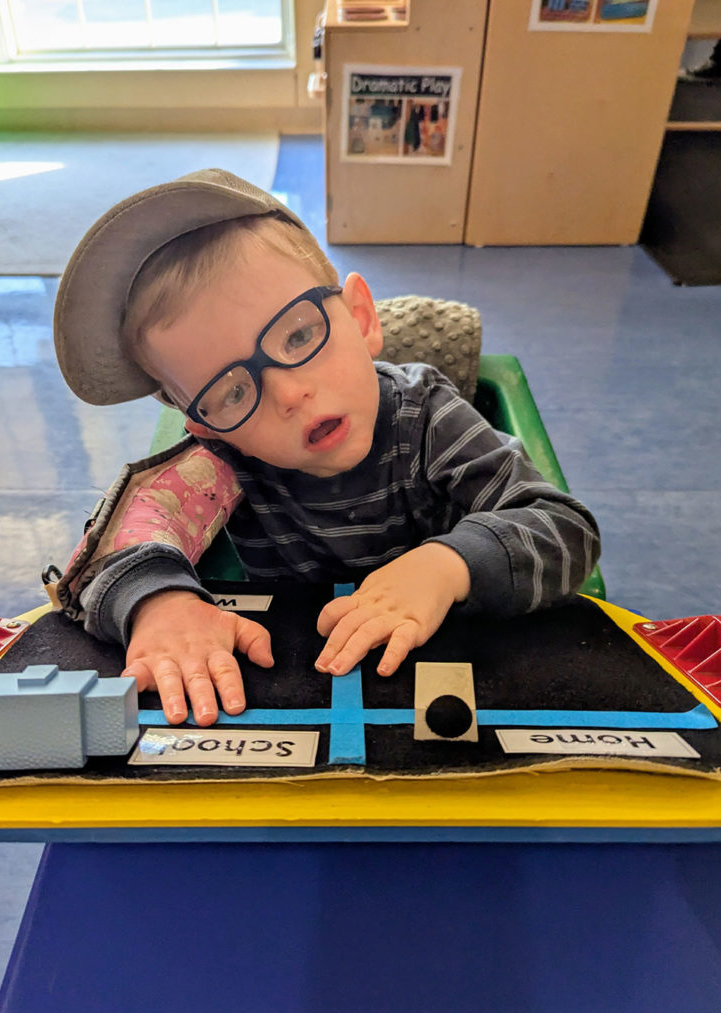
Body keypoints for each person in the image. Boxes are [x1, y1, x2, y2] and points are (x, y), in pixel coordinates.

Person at [53, 168, 601, 727]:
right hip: (305, 675)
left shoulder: (428, 417)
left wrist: (446, 565)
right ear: (208, 427)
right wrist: (159, 605)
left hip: (444, 668)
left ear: (361, 317)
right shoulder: (222, 462)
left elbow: (564, 528)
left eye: (298, 335)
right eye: (233, 391)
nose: (290, 393)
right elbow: (110, 547)